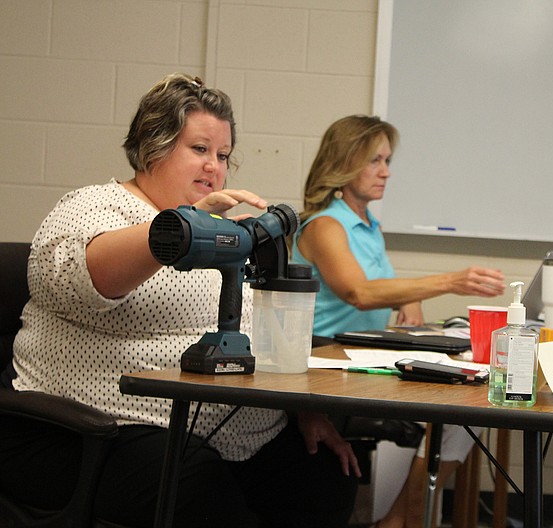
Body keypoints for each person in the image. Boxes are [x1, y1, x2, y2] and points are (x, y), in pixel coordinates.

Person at [0, 73, 360, 528]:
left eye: (223, 155)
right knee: (198, 486)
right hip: (101, 433)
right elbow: (86, 279)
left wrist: (303, 411)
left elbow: (256, 330)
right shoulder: (94, 206)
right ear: (154, 146)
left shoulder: (222, 229)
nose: (215, 167)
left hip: (230, 439)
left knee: (324, 474)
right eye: (199, 150)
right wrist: (180, 229)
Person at [291, 115, 506, 527]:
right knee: (465, 403)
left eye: (387, 160)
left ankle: (399, 518)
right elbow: (358, 292)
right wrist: (448, 281)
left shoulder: (369, 226)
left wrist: (410, 303)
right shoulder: (324, 226)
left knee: (473, 399)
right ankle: (402, 518)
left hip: (361, 351)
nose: (386, 172)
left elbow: (383, 292)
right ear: (344, 162)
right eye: (375, 160)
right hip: (325, 362)